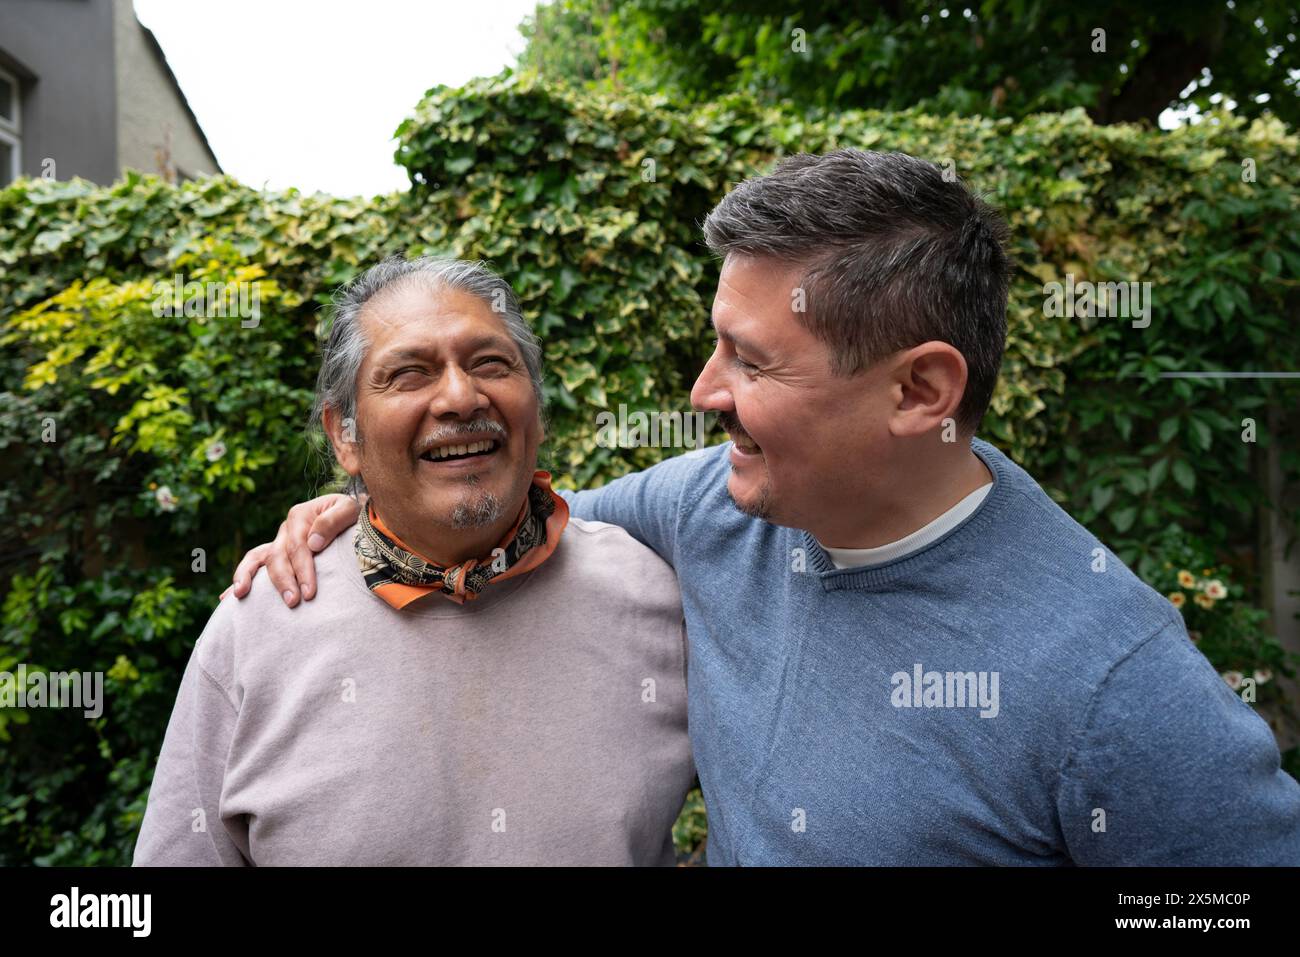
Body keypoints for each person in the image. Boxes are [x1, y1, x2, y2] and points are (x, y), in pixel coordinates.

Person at [231, 150, 1300, 865]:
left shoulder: (1114, 687)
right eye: (715, 342)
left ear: (917, 392)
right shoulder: (711, 506)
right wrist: (356, 510)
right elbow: (505, 522)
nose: (702, 392)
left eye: (750, 361)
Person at [134, 257, 694, 866]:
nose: (460, 396)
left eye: (490, 364)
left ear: (536, 410)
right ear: (345, 435)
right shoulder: (260, 627)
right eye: (408, 374)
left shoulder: (656, 596)